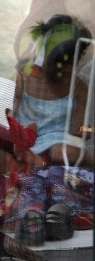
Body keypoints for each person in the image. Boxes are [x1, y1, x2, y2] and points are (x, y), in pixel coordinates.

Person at [11, 14, 93, 167]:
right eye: (60, 62)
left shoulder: (79, 88)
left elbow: (82, 129)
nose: (67, 69)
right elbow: (13, 115)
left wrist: (85, 130)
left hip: (60, 157)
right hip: (25, 153)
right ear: (46, 56)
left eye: (72, 62)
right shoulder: (25, 76)